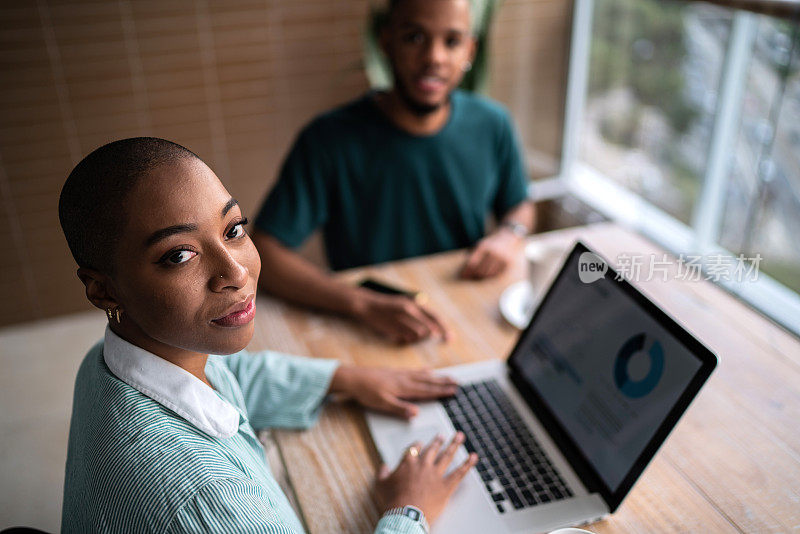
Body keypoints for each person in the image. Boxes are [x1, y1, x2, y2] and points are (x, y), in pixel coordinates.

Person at [58, 137, 477, 533]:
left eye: (233, 229)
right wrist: (409, 509)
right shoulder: (208, 501)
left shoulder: (112, 360)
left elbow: (231, 376)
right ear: (103, 289)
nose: (236, 272)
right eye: (179, 255)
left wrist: (342, 378)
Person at [251, 0, 535, 345]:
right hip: (367, 329)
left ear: (470, 50)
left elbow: (520, 204)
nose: (435, 58)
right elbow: (265, 250)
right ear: (386, 43)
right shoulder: (328, 139)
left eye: (452, 41)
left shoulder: (493, 124)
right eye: (415, 37)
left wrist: (509, 234)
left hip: (464, 318)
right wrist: (362, 304)